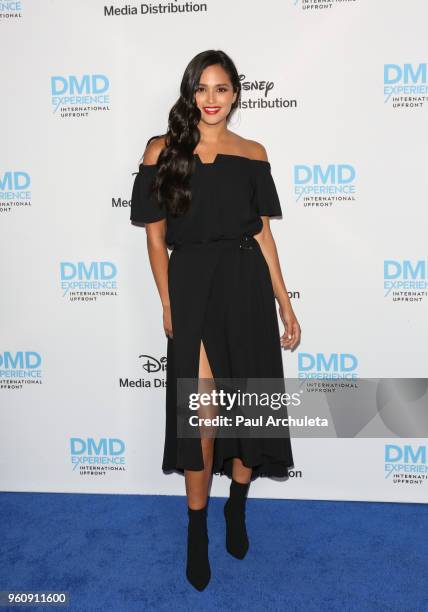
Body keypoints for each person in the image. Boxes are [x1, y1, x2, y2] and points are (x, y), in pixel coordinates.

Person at [130, 49, 301, 591]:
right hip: (192, 287)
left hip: (246, 288)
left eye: (222, 89)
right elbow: (155, 237)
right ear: (189, 92)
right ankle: (197, 530)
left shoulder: (252, 153)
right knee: (200, 417)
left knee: (248, 413)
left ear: (235, 94)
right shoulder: (163, 150)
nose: (211, 99)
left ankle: (237, 509)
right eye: (202, 88)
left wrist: (284, 301)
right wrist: (167, 302)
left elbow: (263, 235)